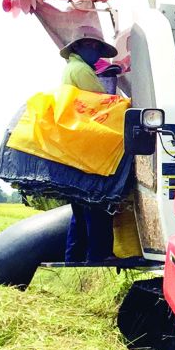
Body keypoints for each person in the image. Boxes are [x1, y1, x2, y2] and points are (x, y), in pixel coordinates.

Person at [59, 27, 118, 262]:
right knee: (97, 203)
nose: (94, 51)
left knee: (80, 210)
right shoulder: (82, 70)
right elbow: (103, 103)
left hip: (76, 145)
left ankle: (73, 258)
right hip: (88, 146)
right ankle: (99, 255)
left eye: (96, 47)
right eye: (90, 46)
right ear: (77, 48)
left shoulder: (71, 69)